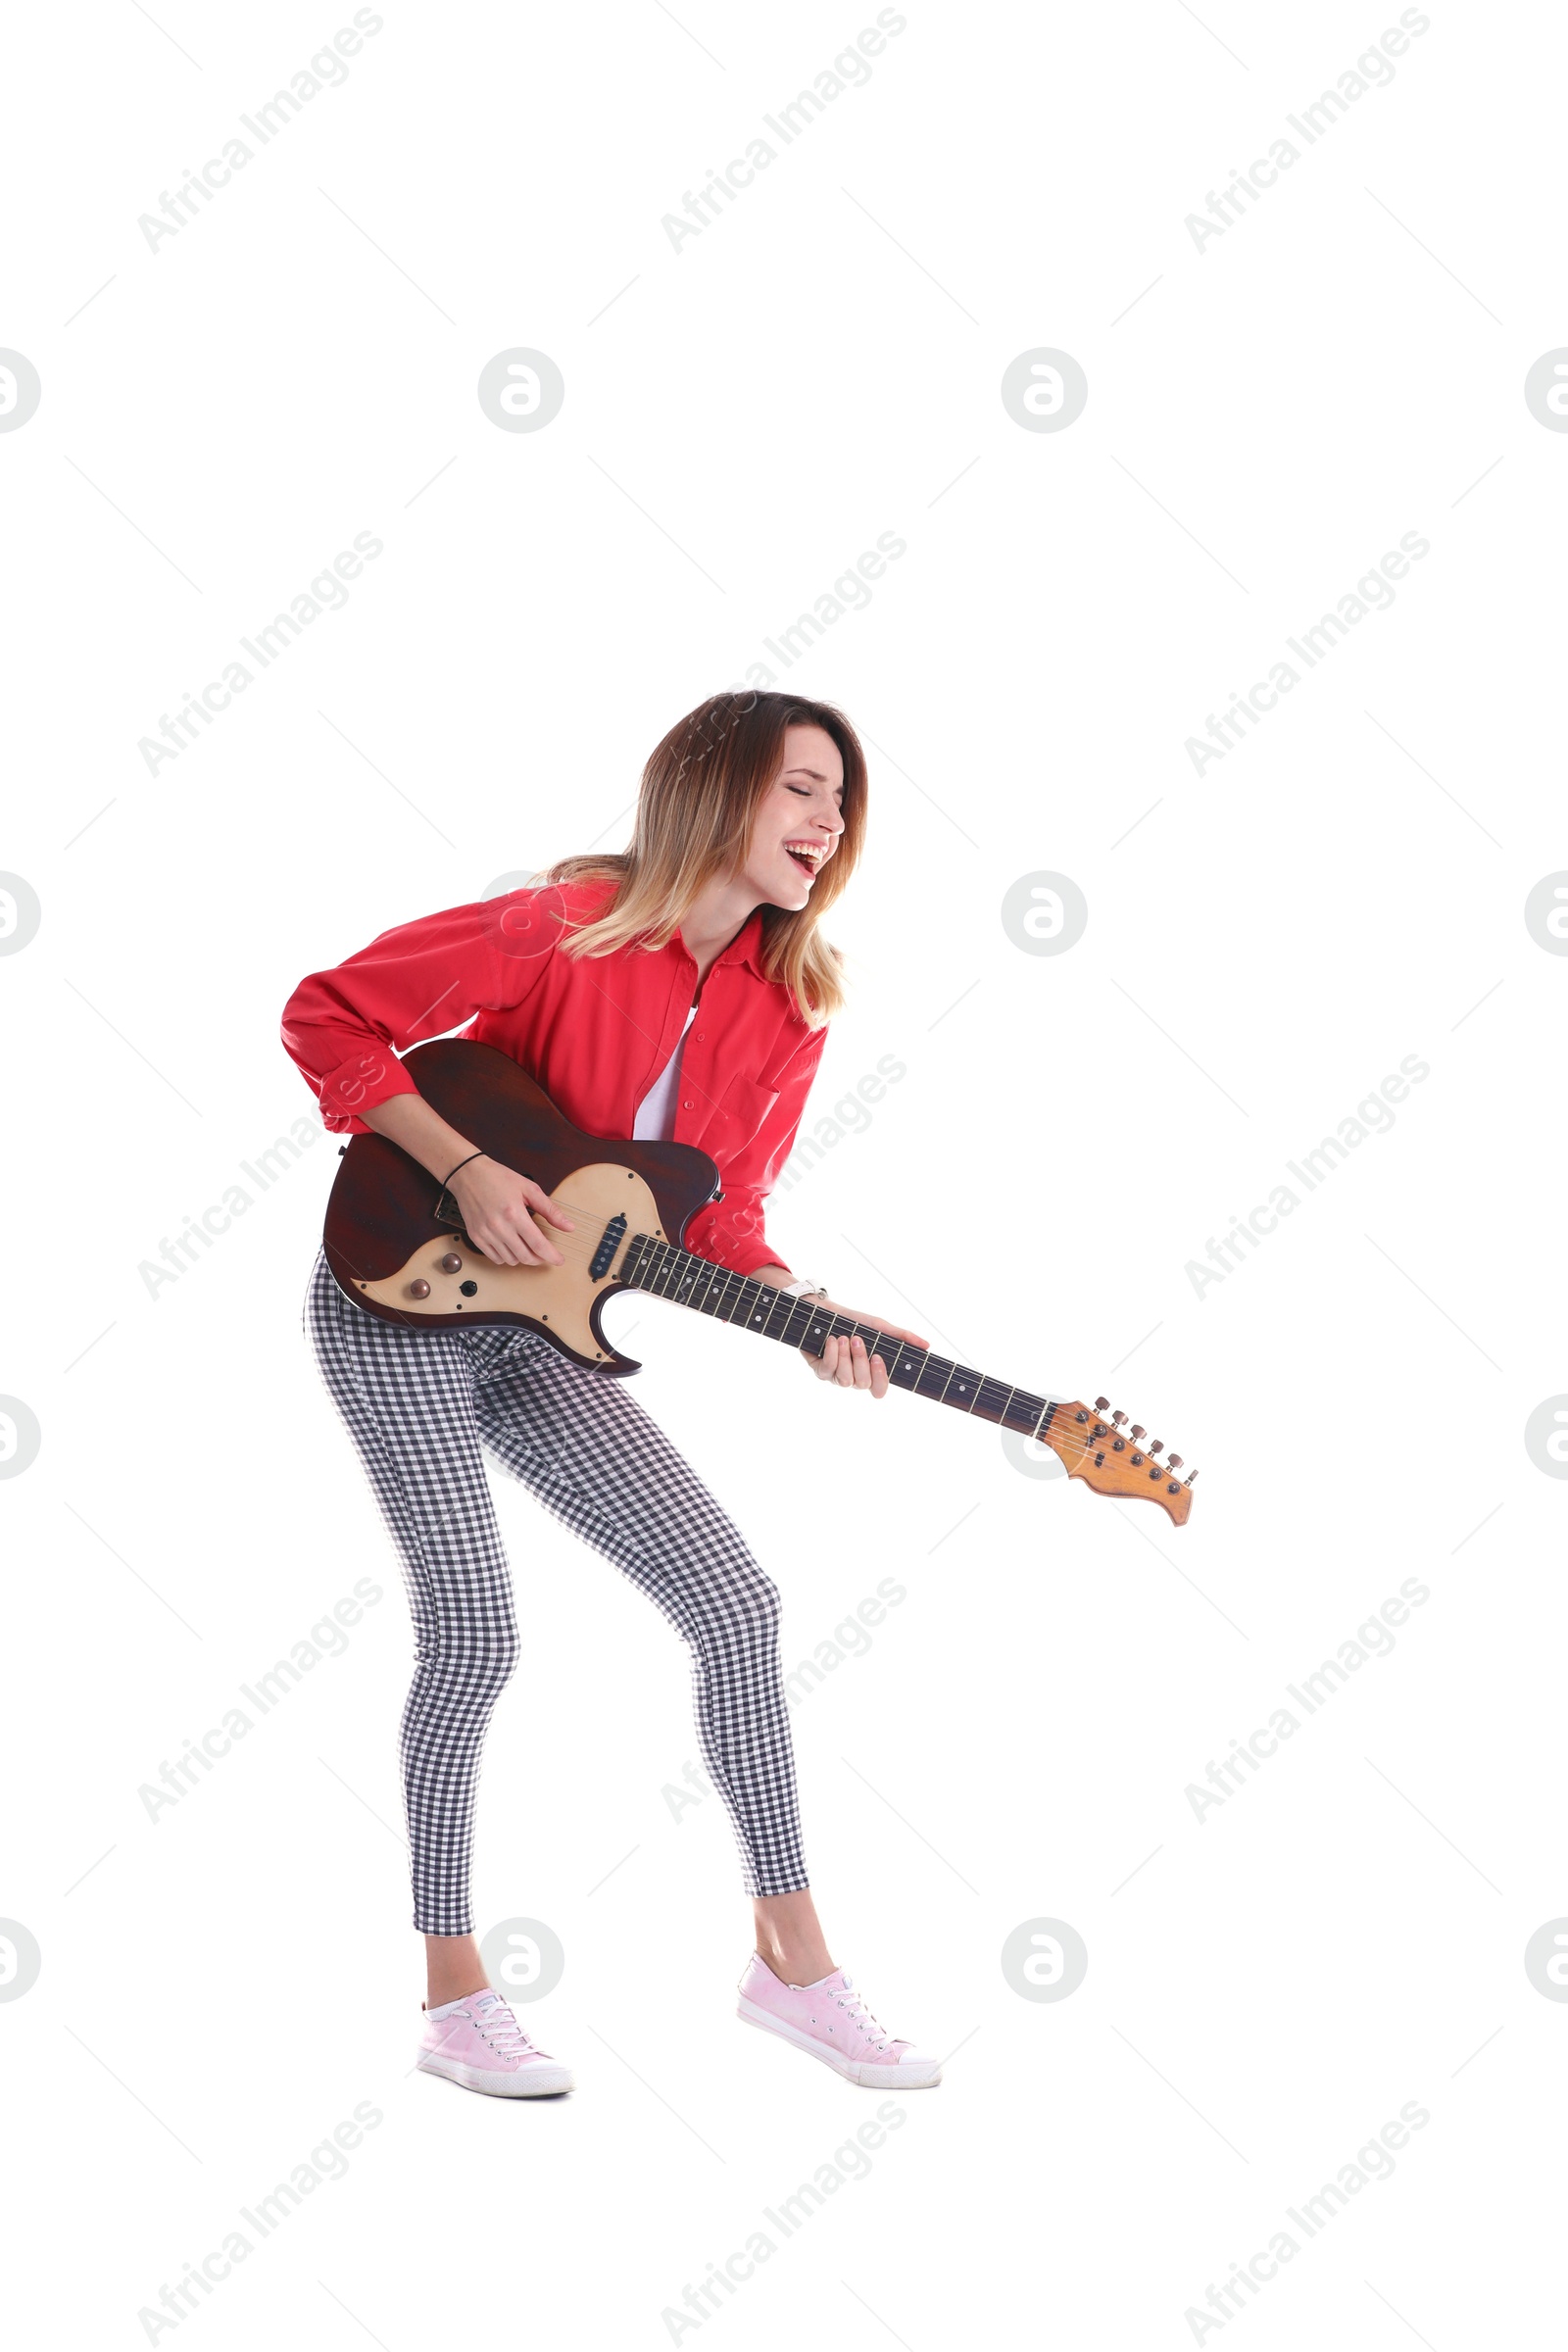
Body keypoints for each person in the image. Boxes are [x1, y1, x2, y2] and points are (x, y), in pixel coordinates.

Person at [281, 690, 944, 2098]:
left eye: (843, 804)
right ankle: (454, 1996)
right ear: (711, 789)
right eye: (803, 792)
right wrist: (462, 1166)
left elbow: (720, 1221)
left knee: (738, 1603)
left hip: (546, 1335)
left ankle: (793, 1967)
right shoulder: (563, 922)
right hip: (401, 1299)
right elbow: (329, 1015)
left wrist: (808, 1312)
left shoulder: (792, 1005)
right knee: (475, 1627)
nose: (830, 827)